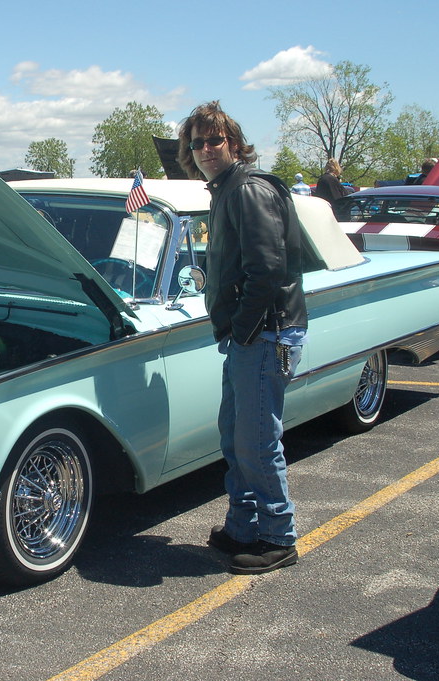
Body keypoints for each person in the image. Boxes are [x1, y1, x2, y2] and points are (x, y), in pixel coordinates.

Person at [176, 101, 307, 575]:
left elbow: (268, 270)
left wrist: (244, 328)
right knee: (235, 436)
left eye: (216, 140)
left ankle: (278, 536)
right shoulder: (225, 190)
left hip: (266, 333)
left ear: (233, 142)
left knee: (255, 442)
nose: (207, 149)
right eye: (198, 143)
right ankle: (243, 527)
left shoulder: (248, 190)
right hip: (250, 334)